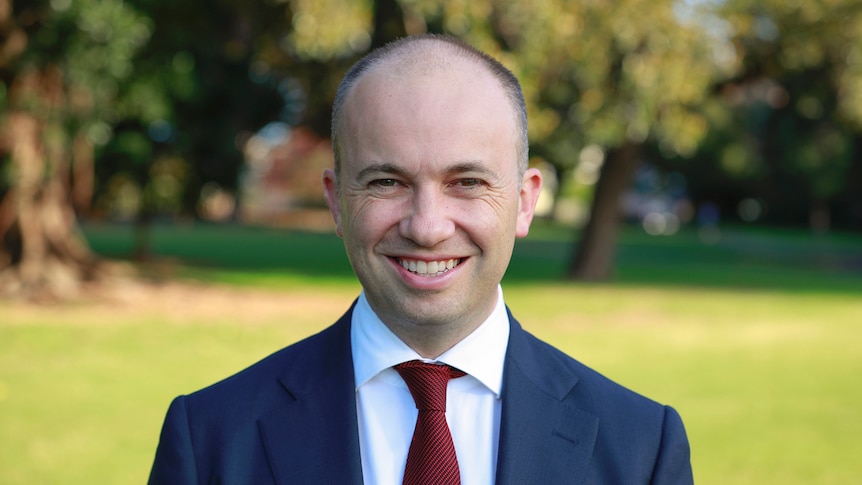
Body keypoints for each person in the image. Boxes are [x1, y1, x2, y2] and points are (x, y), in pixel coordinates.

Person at [148, 34, 693, 484]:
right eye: (387, 181)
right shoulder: (210, 439)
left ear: (524, 202)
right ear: (337, 201)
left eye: (467, 182)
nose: (427, 227)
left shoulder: (641, 448)